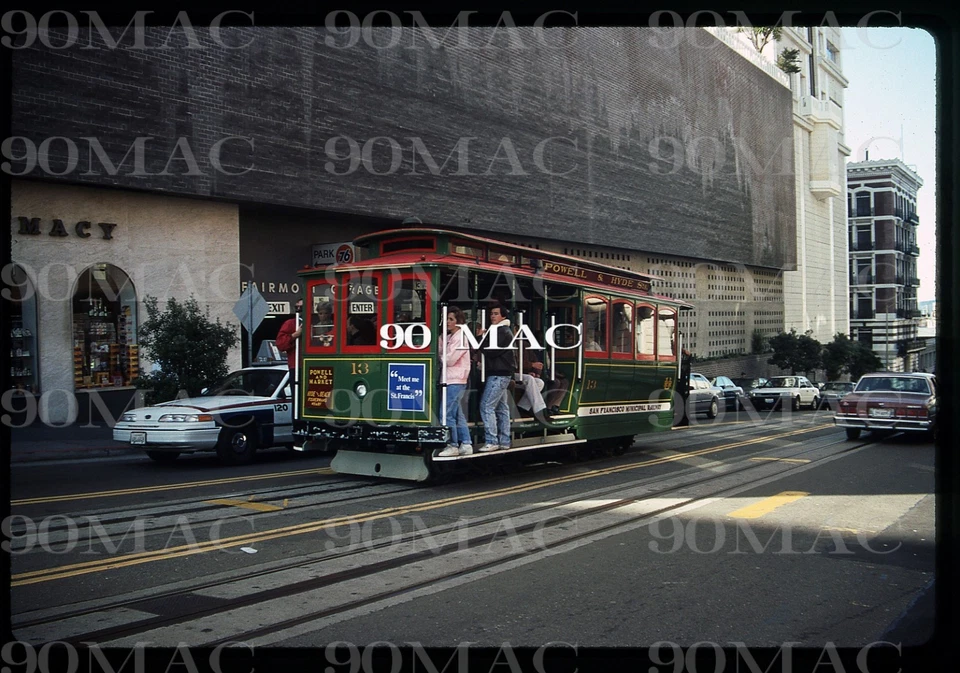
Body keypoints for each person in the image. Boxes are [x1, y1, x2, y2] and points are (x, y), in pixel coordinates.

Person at [476, 303, 516, 452]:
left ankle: (492, 441)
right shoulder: (502, 330)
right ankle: (504, 441)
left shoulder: (501, 331)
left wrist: (480, 338)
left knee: (486, 406)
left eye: (496, 313)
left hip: (498, 374)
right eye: (491, 313)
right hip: (502, 374)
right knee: (502, 408)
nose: (492, 316)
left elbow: (491, 351)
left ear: (503, 316)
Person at [437, 307, 473, 457]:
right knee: (457, 413)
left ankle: (452, 445)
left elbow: (449, 360)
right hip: (451, 379)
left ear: (459, 321)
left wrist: (441, 352)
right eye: (446, 319)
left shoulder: (460, 338)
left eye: (451, 319)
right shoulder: (450, 337)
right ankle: (466, 443)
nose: (447, 322)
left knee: (446, 414)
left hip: (455, 379)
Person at [275, 299, 303, 376]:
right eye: (297, 307)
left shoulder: (315, 323)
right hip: (297, 366)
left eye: (302, 307)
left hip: (314, 364)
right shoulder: (290, 323)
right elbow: (280, 344)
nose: (299, 309)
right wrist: (295, 335)